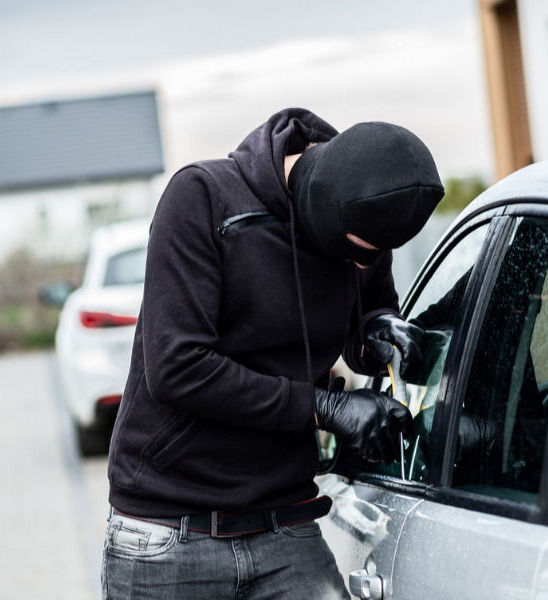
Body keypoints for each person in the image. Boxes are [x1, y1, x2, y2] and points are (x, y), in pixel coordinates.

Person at [102, 108, 445, 599]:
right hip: (169, 531)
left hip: (287, 523)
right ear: (320, 207)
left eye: (373, 255)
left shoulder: (366, 220)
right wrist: (326, 408)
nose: (360, 264)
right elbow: (178, 367)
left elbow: (362, 318)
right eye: (354, 252)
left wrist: (379, 330)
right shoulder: (203, 199)